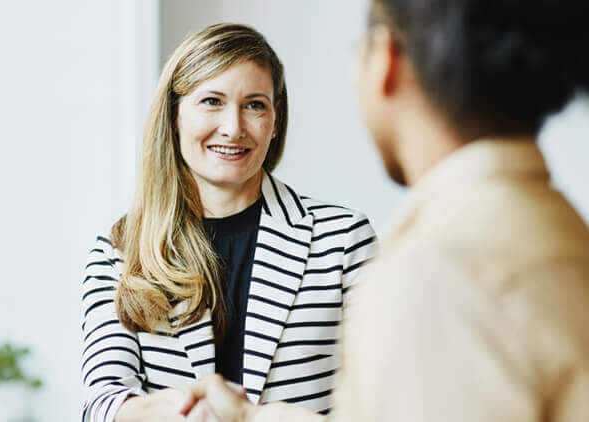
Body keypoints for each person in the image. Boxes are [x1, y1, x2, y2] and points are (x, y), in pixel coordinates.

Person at [185, 0, 589, 421]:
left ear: (384, 58)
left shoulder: (434, 274)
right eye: (211, 101)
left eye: (255, 104)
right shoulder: (563, 233)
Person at [80, 23, 377, 422]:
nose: (233, 128)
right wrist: (186, 408)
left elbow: (389, 397)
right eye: (212, 101)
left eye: (254, 104)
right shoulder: (119, 249)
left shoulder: (343, 241)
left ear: (275, 121)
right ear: (174, 117)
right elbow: (103, 405)